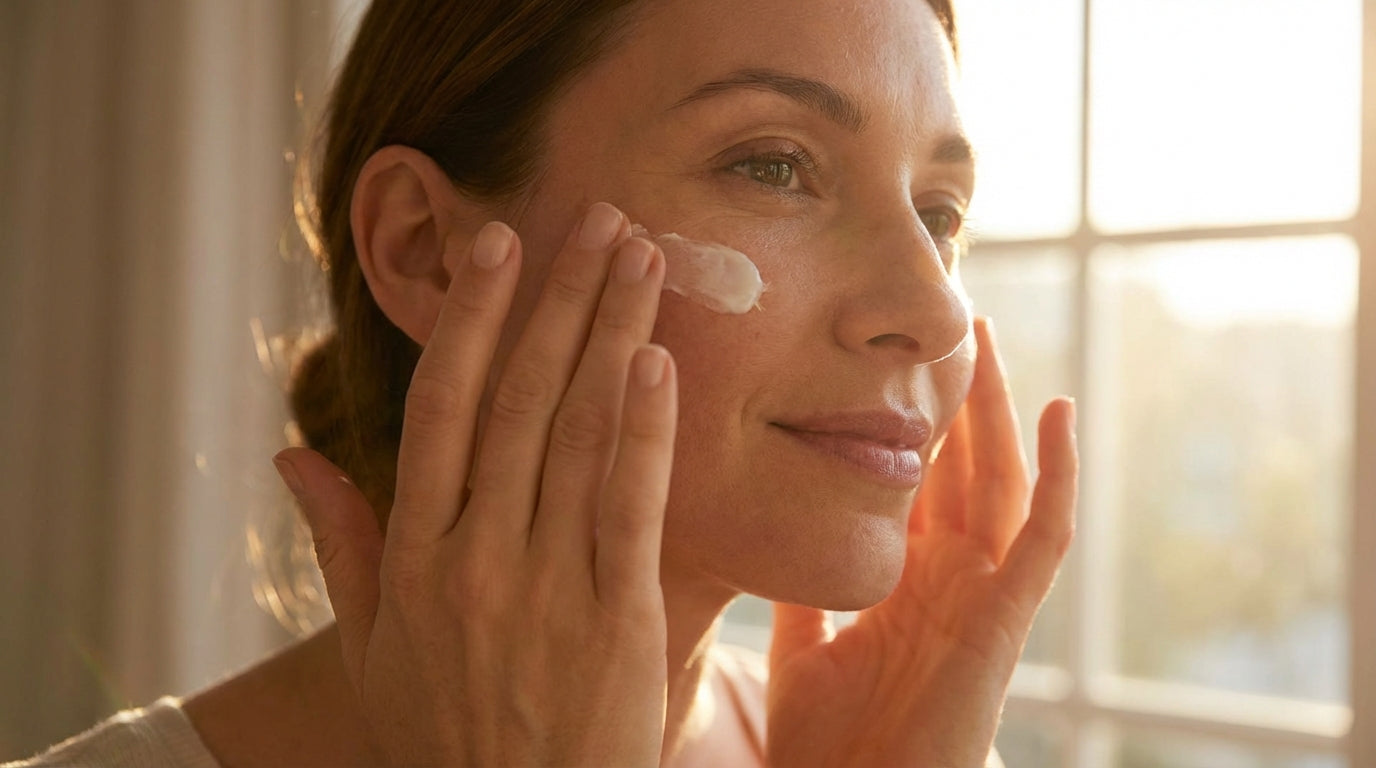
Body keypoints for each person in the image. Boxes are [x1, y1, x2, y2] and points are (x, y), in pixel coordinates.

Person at [7, 0, 1077, 765]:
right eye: (770, 165)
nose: (937, 309)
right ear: (425, 249)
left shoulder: (871, 748)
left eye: (939, 213)